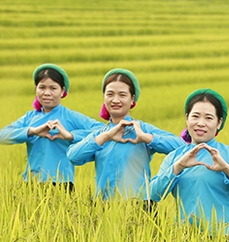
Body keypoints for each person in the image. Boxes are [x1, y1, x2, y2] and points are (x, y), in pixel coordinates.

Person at [66, 68, 184, 201]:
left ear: (132, 99)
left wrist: (147, 138)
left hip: (139, 207)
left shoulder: (142, 129)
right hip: (103, 208)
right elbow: (73, 156)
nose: (115, 100)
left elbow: (181, 146)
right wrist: (107, 136)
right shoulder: (101, 134)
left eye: (122, 95)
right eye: (110, 94)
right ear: (104, 97)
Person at [149, 88, 229, 239]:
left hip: (224, 237)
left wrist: (227, 169)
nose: (201, 123)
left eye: (209, 118)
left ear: (219, 123)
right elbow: (153, 194)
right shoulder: (175, 157)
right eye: (195, 116)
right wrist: (178, 167)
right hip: (184, 238)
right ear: (187, 118)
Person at [0, 63, 103, 192]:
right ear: (36, 89)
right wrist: (33, 131)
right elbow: (2, 136)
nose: (47, 93)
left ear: (63, 91)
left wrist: (70, 135)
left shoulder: (70, 116)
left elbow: (103, 130)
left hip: (62, 184)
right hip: (31, 183)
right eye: (42, 87)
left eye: (53, 88)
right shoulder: (29, 118)